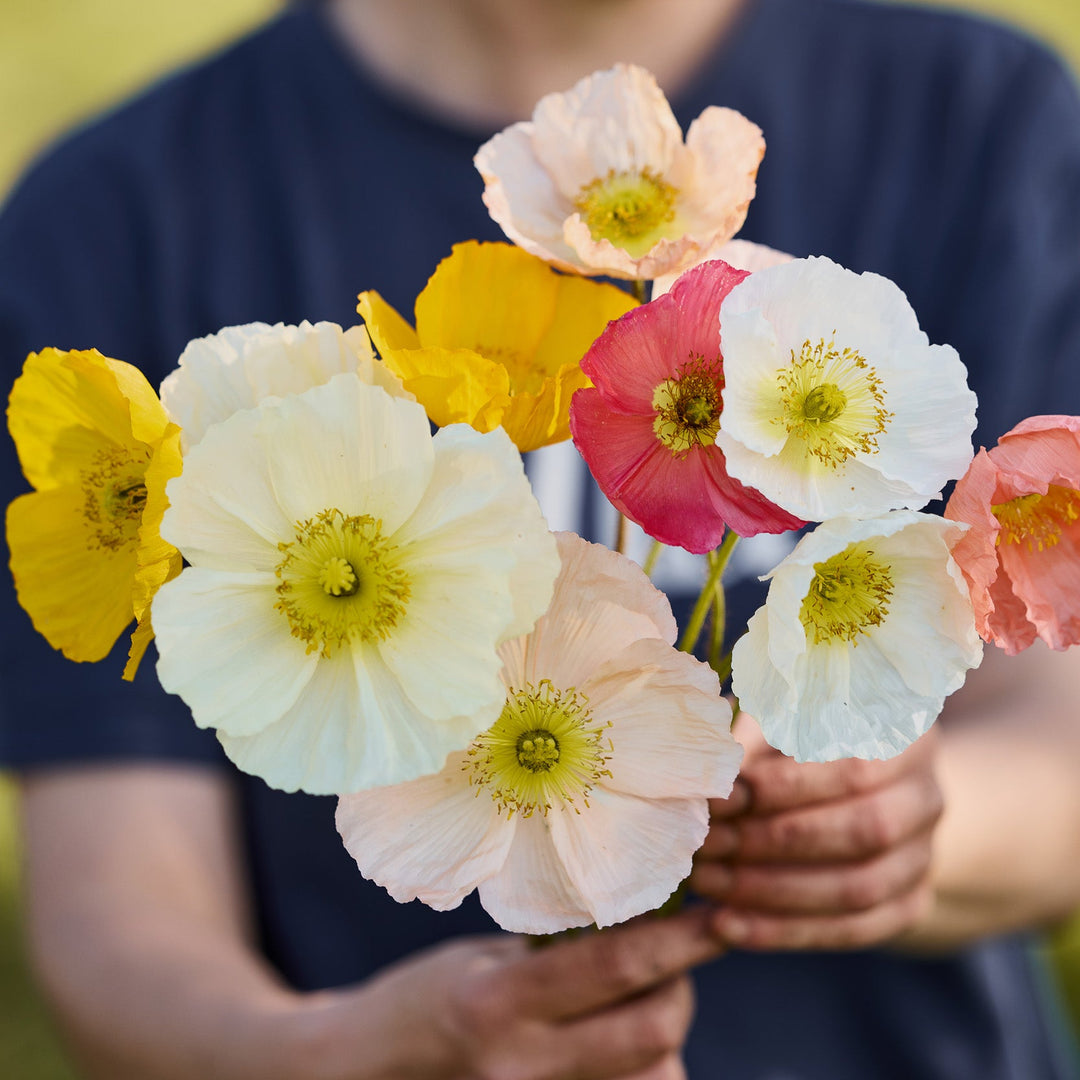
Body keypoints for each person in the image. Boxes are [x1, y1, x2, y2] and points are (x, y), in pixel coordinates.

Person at [2, 0, 1080, 1076]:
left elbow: (1060, 744)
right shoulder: (117, 210)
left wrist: (910, 831)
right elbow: (121, 916)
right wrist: (353, 1057)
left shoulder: (979, 119)